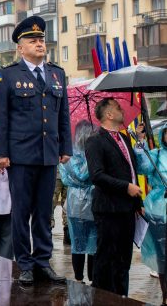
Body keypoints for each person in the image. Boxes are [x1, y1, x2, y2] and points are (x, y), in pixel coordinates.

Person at [0, 15, 72, 285]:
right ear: (20, 46)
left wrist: (65, 147)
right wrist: (0, 153)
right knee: (21, 211)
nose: (39, 43)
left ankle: (42, 261)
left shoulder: (57, 74)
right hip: (21, 156)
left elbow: (63, 116)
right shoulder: (8, 75)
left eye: (41, 39)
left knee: (44, 212)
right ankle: (24, 262)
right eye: (32, 40)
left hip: (48, 154)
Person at [86, 97, 143, 296]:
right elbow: (97, 175)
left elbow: (132, 172)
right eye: (118, 108)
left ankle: (122, 297)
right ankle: (102, 298)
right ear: (109, 114)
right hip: (108, 209)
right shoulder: (95, 140)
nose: (122, 110)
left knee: (123, 259)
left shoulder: (125, 138)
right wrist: (125, 187)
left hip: (127, 209)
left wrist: (138, 202)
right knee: (106, 259)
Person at [59, 120, 97, 284]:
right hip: (76, 202)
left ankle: (93, 279)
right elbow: (79, 176)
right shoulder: (70, 154)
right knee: (78, 243)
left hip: (94, 200)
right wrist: (92, 158)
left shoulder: (91, 151)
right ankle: (79, 278)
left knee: (94, 243)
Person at [134, 122, 167, 303]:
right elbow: (142, 167)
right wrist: (140, 141)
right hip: (159, 211)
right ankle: (165, 296)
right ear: (162, 135)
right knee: (163, 255)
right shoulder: (155, 155)